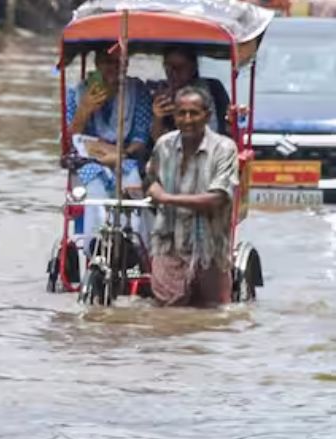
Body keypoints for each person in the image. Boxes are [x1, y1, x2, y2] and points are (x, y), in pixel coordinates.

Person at [146, 85, 239, 308]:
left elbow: (217, 198)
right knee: (168, 318)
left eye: (194, 113)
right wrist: (152, 189)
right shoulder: (164, 145)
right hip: (168, 245)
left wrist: (167, 198)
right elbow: (150, 179)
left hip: (210, 248)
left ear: (206, 115)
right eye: (181, 113)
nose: (187, 120)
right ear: (174, 115)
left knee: (212, 315)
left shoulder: (224, 149)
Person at [65, 45, 154, 249]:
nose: (112, 69)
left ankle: (133, 244)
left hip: (127, 161)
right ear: (97, 64)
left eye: (117, 63)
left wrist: (119, 155)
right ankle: (93, 244)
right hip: (87, 163)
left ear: (125, 65)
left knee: (133, 178)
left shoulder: (137, 92)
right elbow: (71, 139)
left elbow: (140, 140)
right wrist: (84, 110)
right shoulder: (77, 93)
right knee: (92, 177)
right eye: (106, 63)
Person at [150, 46, 231, 142]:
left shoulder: (213, 88)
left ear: (193, 68)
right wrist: (158, 117)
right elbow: (158, 139)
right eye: (169, 67)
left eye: (181, 67)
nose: (174, 72)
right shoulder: (161, 94)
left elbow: (227, 125)